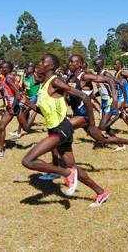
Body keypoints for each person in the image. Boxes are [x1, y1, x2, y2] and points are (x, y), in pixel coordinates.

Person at [19, 54, 110, 207]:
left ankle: (66, 174)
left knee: (28, 161)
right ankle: (101, 192)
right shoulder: (44, 84)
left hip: (61, 129)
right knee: (72, 166)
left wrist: (92, 124)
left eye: (43, 62)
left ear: (52, 66)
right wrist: (26, 102)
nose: (39, 64)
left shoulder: (56, 82)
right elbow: (44, 112)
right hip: (55, 129)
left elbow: (85, 98)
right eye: (40, 61)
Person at [0, 61, 32, 158]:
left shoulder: (9, 79)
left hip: (14, 106)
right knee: (1, 126)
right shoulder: (11, 78)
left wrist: (12, 108)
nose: (1, 69)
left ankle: (35, 112)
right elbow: (19, 89)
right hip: (11, 106)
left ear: (8, 69)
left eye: (3, 68)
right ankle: (0, 151)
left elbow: (17, 94)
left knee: (26, 128)